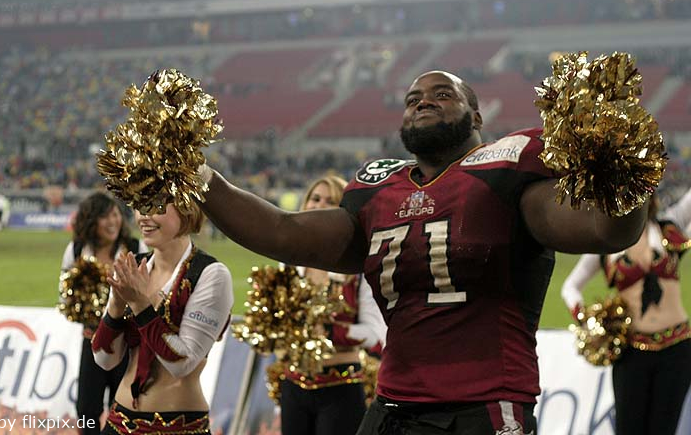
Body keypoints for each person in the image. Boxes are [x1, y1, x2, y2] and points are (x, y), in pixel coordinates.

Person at [194, 70, 651, 434]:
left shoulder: (506, 172)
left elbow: (606, 231)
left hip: (483, 407)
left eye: (442, 94)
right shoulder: (377, 191)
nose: (423, 101)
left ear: (476, 117)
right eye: (413, 98)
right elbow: (281, 231)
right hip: (393, 407)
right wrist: (200, 177)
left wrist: (624, 171)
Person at [91, 200, 233, 435]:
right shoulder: (134, 267)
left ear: (186, 207)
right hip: (119, 422)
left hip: (180, 427)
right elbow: (104, 359)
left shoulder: (211, 274)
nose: (143, 216)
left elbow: (182, 363)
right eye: (139, 206)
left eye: (156, 206)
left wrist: (140, 304)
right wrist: (116, 304)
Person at [561, 185, 691, 435]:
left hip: (677, 348)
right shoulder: (607, 244)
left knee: (664, 429)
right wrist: (588, 321)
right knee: (628, 428)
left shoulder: (669, 225)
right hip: (632, 352)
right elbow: (570, 287)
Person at [280, 175, 386, 435]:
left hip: (342, 386)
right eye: (315, 198)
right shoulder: (288, 263)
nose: (320, 206)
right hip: (292, 385)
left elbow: (375, 333)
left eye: (330, 201)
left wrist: (331, 332)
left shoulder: (359, 269)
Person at [59, 192, 147, 434]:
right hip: (92, 341)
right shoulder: (77, 250)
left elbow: (146, 292)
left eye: (116, 215)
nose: (113, 222)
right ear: (91, 220)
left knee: (123, 409)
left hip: (128, 347)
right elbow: (65, 296)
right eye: (105, 217)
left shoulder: (135, 248)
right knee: (86, 410)